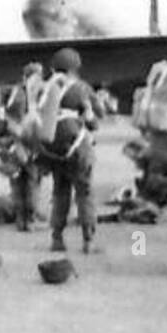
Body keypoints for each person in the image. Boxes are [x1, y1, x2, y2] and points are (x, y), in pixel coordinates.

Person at [38, 47, 100, 254]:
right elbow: (93, 121)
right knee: (84, 192)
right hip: (77, 145)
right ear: (76, 67)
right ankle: (88, 240)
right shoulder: (81, 88)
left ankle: (56, 238)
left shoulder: (45, 88)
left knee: (60, 192)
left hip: (53, 147)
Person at [0, 62, 45, 231]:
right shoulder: (13, 93)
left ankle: (26, 217)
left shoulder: (34, 93)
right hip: (15, 144)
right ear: (26, 77)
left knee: (26, 180)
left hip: (27, 144)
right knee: (25, 180)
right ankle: (27, 218)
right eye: (36, 76)